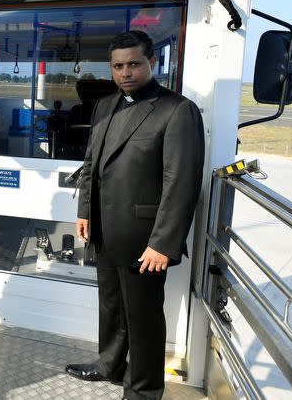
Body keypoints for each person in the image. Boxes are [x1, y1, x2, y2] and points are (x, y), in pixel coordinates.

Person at [66, 30, 205, 400]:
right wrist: (85, 213)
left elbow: (182, 182)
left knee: (143, 317)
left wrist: (164, 242)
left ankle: (144, 389)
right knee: (110, 305)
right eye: (117, 66)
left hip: (146, 237)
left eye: (133, 64)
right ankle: (109, 364)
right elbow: (92, 164)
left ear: (152, 63)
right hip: (104, 230)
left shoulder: (177, 110)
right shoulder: (105, 105)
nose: (125, 72)